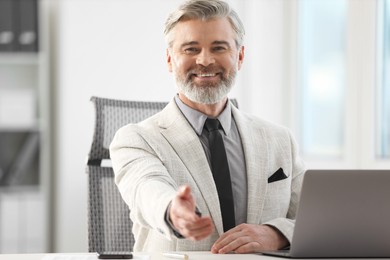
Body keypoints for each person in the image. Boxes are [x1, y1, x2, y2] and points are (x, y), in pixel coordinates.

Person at [110, 0, 306, 254]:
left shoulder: (280, 139)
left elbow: (318, 218)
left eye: (219, 47)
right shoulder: (136, 139)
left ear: (240, 56)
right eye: (191, 49)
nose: (204, 60)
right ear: (170, 59)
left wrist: (277, 234)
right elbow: (147, 188)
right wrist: (173, 211)